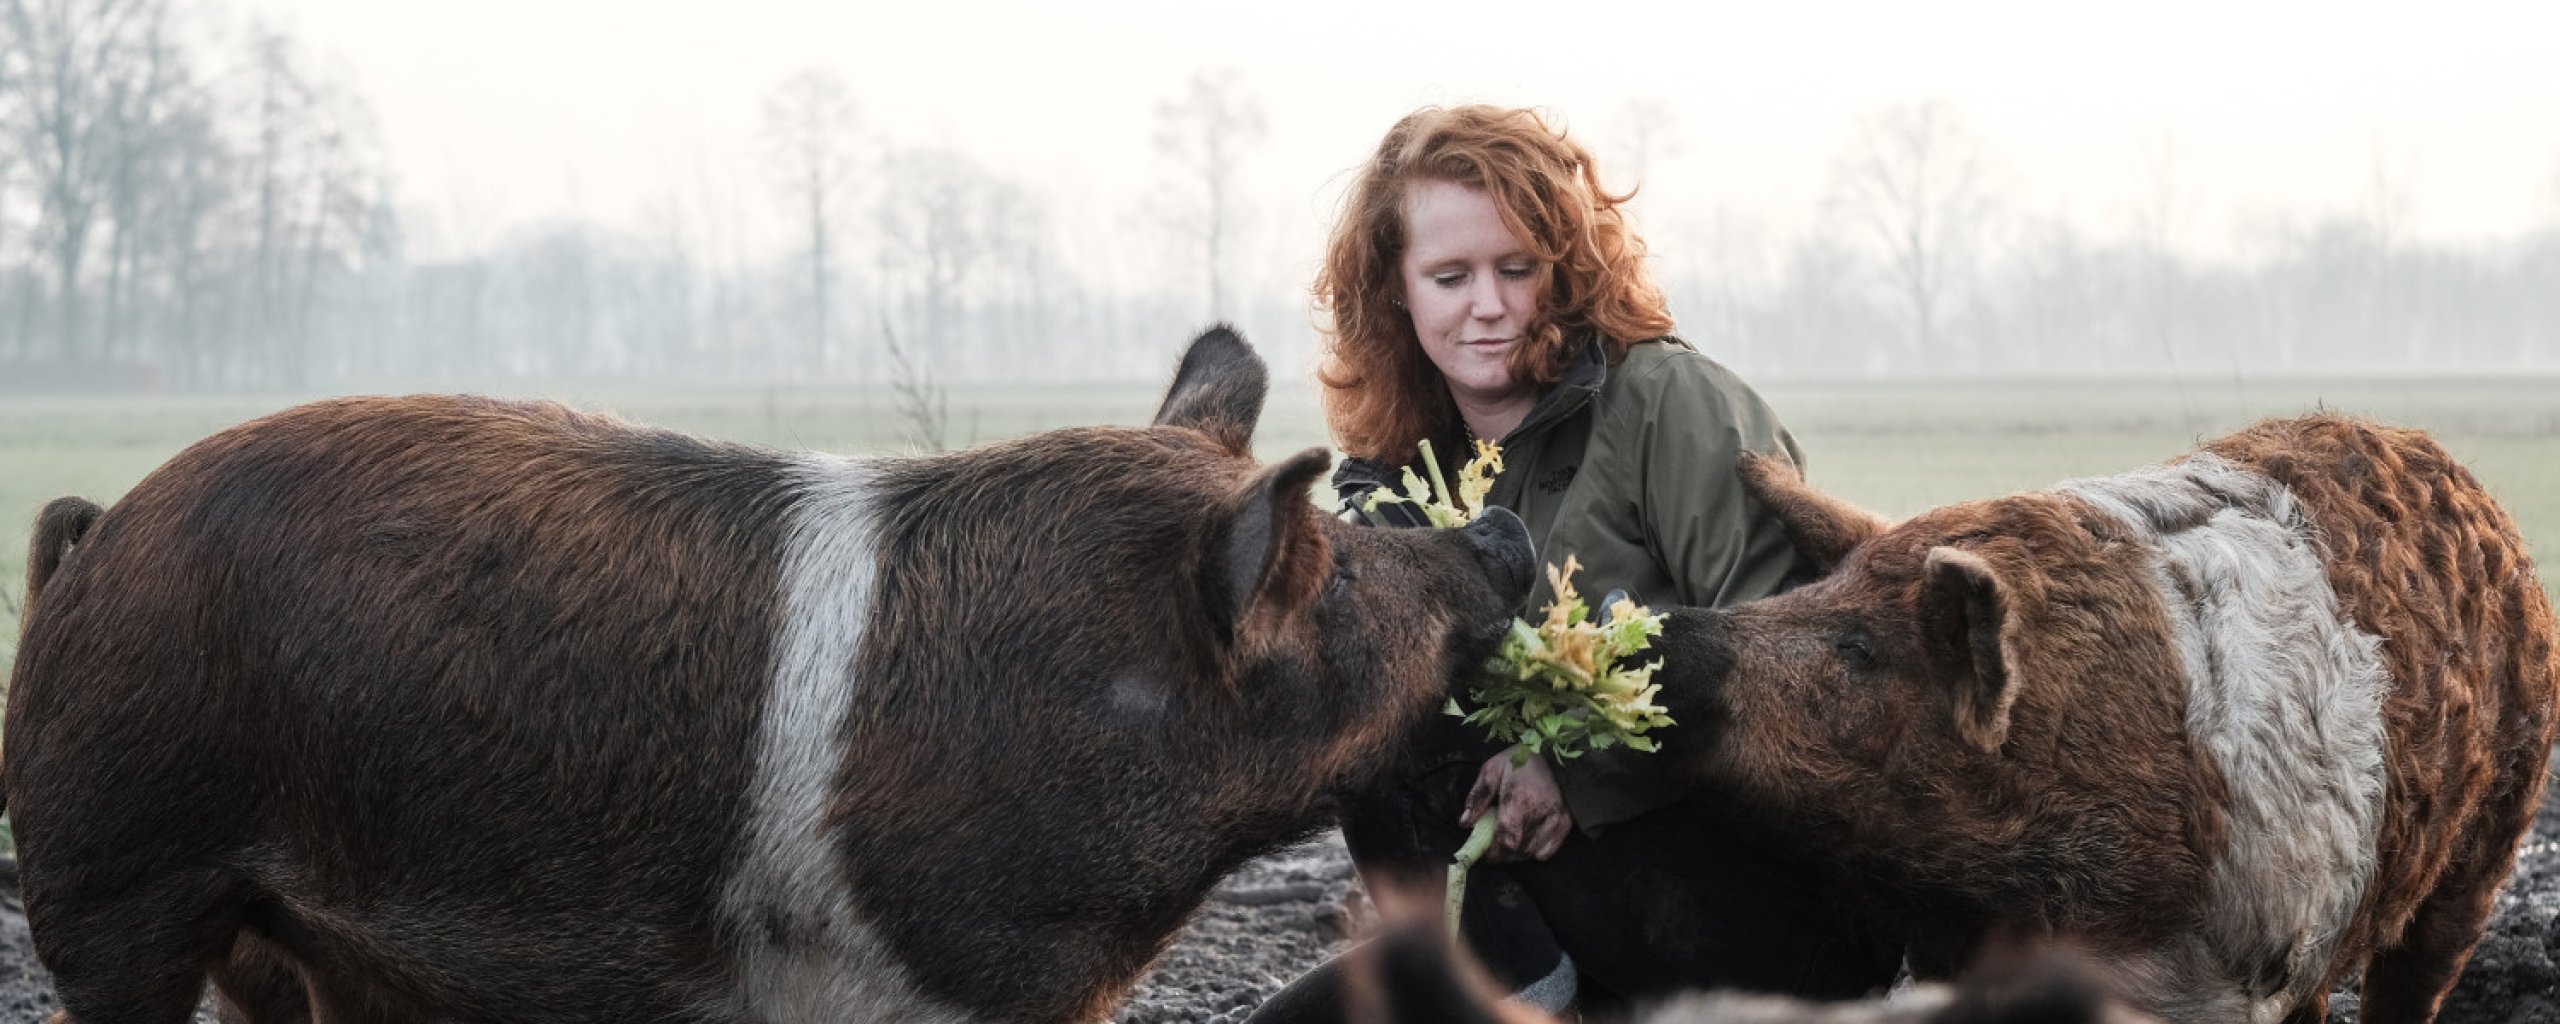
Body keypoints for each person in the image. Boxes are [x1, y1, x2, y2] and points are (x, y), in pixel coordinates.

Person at [1243, 105, 1902, 1021]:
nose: (1489, 305)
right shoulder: (1399, 477)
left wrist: (1578, 775)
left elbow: (1806, 675)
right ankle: (1522, 988)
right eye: (1449, 276)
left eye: (1518, 268)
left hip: (1750, 905)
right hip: (1531, 917)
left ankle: (1523, 1000)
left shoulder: (1671, 406)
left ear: (1569, 266)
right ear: (1396, 290)